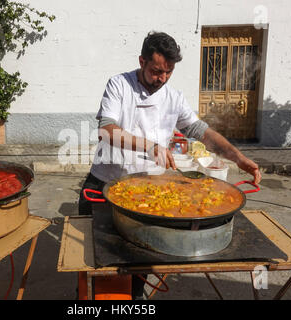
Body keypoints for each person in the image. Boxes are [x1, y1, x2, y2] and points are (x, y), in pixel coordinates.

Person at [78, 31, 262, 299]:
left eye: (168, 72)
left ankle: (136, 297)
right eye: (155, 71)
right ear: (142, 61)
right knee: (92, 269)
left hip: (149, 193)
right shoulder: (119, 85)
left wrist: (239, 158)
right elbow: (106, 130)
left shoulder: (173, 97)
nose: (161, 78)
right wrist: (151, 146)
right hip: (105, 186)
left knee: (137, 267)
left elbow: (201, 131)